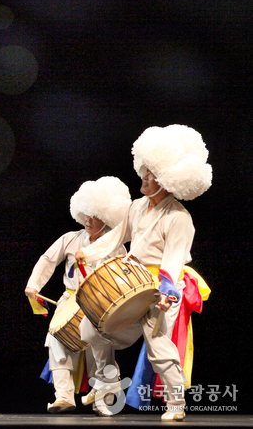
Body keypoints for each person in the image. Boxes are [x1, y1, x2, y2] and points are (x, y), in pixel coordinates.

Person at [76, 124, 212, 421]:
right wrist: (89, 252)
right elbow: (116, 238)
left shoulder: (178, 217)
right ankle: (108, 383)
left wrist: (166, 292)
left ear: (169, 180)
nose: (145, 176)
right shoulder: (136, 207)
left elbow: (174, 258)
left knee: (158, 348)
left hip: (160, 287)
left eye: (153, 173)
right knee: (90, 328)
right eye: (145, 170)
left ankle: (176, 403)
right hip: (131, 283)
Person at [25, 176, 131, 413]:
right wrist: (34, 285)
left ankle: (104, 400)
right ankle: (63, 397)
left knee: (99, 352)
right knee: (56, 342)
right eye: (86, 214)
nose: (88, 220)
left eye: (94, 215)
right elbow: (48, 259)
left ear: (107, 217)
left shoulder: (116, 246)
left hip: (100, 304)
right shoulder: (70, 238)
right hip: (70, 300)